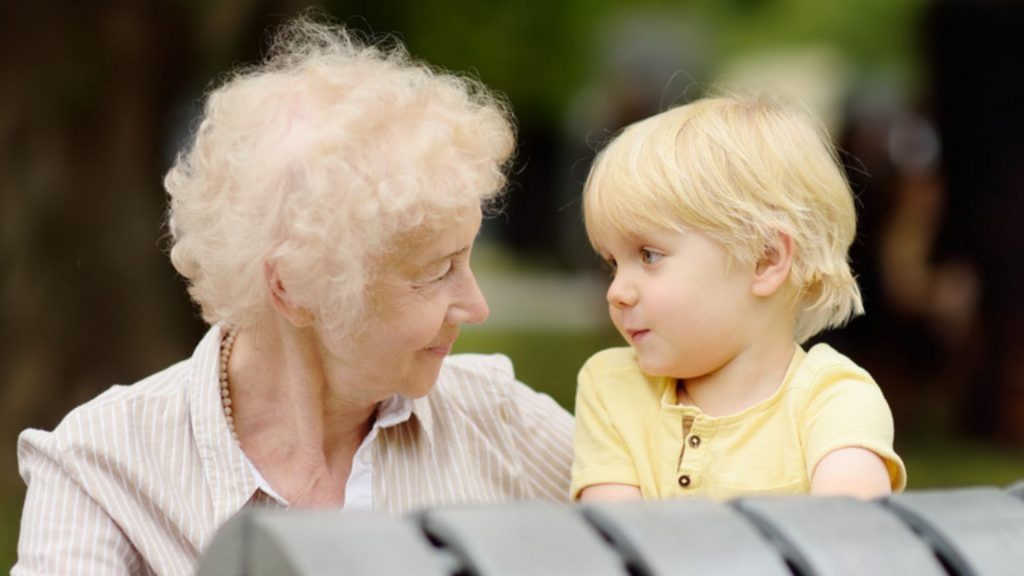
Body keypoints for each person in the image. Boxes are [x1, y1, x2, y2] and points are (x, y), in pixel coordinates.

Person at [14, 16, 573, 575]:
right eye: (436, 270)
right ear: (295, 289)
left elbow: (658, 532)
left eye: (467, 258)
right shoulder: (103, 466)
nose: (477, 307)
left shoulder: (496, 419)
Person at [571, 94, 906, 502]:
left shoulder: (833, 401)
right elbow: (615, 549)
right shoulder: (613, 388)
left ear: (764, 260)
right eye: (613, 263)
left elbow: (843, 543)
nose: (617, 292)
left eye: (649, 255)